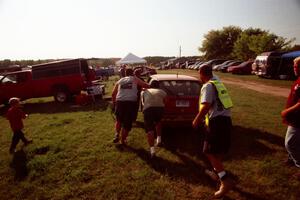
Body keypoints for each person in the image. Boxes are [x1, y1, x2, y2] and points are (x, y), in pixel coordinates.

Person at [192, 64, 234, 198]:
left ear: (201, 73)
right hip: (226, 120)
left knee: (208, 152)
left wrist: (196, 120)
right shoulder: (218, 83)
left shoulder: (208, 85)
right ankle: (217, 174)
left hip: (217, 123)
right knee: (217, 152)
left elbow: (206, 105)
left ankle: (225, 181)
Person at [112, 68, 149, 145]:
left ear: (125, 73)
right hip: (130, 103)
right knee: (127, 123)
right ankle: (122, 140)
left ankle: (117, 134)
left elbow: (113, 93)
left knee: (119, 120)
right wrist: (153, 85)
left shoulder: (120, 80)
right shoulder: (135, 78)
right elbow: (146, 85)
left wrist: (114, 103)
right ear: (133, 73)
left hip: (120, 102)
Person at [281, 56, 300, 179]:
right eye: (294, 66)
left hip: (298, 119)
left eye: (296, 66)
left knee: (290, 143)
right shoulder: (298, 79)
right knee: (295, 140)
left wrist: (287, 111)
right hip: (293, 117)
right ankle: (290, 158)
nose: (294, 68)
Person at [141, 80, 167, 157]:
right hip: (160, 109)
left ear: (150, 85)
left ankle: (152, 150)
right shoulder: (162, 91)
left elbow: (143, 102)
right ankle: (159, 140)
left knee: (150, 130)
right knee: (158, 122)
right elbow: (166, 101)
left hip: (148, 109)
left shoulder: (145, 91)